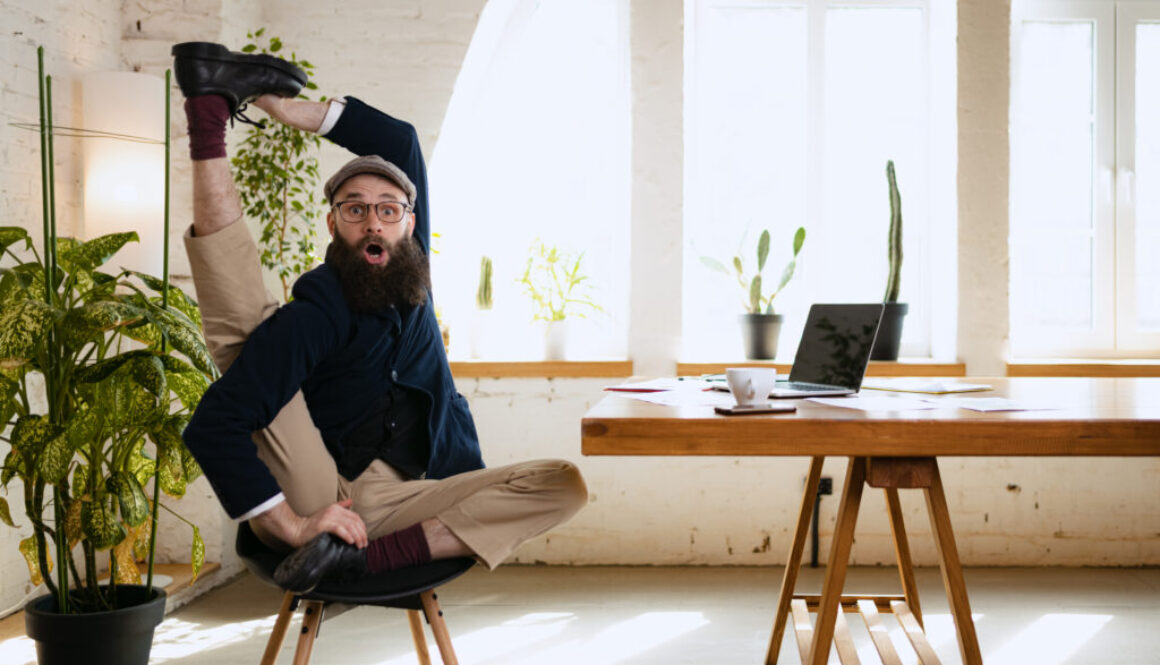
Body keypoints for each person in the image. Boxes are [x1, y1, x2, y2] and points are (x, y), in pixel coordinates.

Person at [172, 42, 587, 593]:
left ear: (410, 224)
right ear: (332, 224)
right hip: (325, 493)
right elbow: (212, 424)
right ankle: (206, 117)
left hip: (417, 496)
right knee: (250, 339)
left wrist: (274, 102)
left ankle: (361, 560)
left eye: (387, 210)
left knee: (563, 485)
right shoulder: (319, 310)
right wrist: (292, 525)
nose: (373, 221)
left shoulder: (416, 274)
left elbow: (400, 143)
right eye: (355, 209)